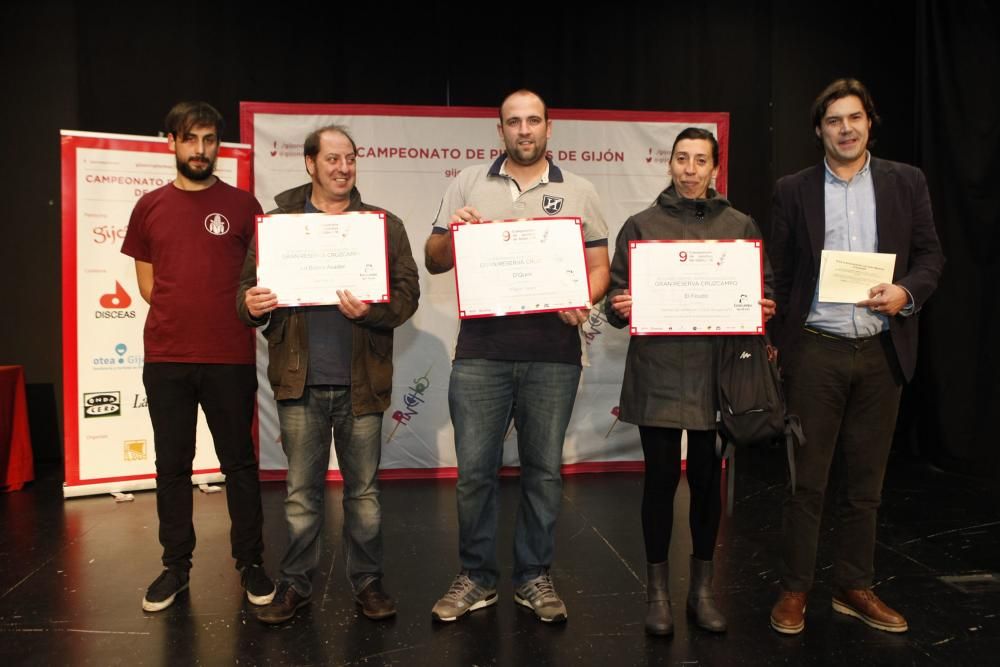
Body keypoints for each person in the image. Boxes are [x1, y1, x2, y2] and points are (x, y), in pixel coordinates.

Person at [424, 89, 610, 623]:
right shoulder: (467, 182)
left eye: (533, 121)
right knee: (474, 474)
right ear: (499, 130)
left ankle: (533, 576)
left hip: (553, 355)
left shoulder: (580, 190)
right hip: (481, 352)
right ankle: (477, 578)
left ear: (549, 128)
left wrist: (586, 296)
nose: (523, 130)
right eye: (513, 122)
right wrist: (454, 235)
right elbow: (434, 259)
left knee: (544, 472)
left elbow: (599, 266)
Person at [768, 78, 944, 635]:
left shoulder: (905, 181)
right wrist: (774, 336)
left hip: (880, 350)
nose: (845, 129)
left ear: (870, 123)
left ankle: (853, 584)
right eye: (833, 121)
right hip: (816, 352)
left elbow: (930, 255)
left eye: (855, 118)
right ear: (819, 130)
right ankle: (795, 589)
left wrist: (906, 293)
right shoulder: (792, 189)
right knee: (808, 485)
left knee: (866, 485)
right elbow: (781, 269)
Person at [238, 125, 419, 624]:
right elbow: (245, 295)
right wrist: (253, 306)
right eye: (333, 159)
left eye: (351, 159)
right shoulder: (277, 226)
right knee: (300, 494)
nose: (343, 168)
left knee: (364, 495)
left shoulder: (383, 226)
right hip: (300, 382)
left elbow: (408, 296)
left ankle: (368, 583)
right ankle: (295, 584)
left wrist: (372, 311)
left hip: (361, 382)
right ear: (310, 164)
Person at [605, 128, 775, 636]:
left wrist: (762, 304)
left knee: (706, 482)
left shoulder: (740, 224)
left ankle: (702, 591)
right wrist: (620, 306)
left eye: (701, 160)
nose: (690, 169)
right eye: (682, 158)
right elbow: (615, 300)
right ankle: (657, 594)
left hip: (716, 378)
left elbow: (760, 290)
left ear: (715, 167)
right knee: (659, 481)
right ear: (670, 164)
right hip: (657, 372)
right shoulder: (641, 224)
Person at [122, 101, 275, 612]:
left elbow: (259, 280)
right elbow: (147, 285)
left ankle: (250, 563)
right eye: (190, 139)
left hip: (229, 355)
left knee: (238, 464)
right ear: (171, 142)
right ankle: (175, 567)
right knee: (172, 465)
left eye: (209, 140)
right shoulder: (149, 206)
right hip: (166, 356)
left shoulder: (242, 205)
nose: (200, 150)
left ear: (218, 145)